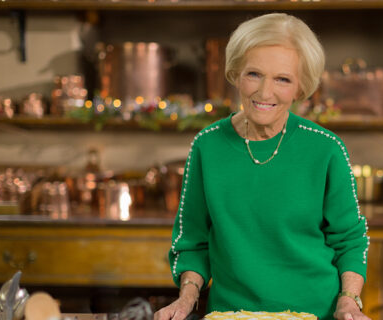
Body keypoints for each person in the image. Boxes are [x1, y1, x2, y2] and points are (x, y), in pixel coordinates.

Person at [154, 13, 370, 320]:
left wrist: (348, 300)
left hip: (313, 313)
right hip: (231, 314)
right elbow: (192, 241)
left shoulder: (326, 148)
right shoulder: (207, 145)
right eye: (254, 74)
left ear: (300, 87)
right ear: (236, 74)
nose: (264, 92)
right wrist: (186, 299)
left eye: (282, 79)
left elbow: (350, 240)